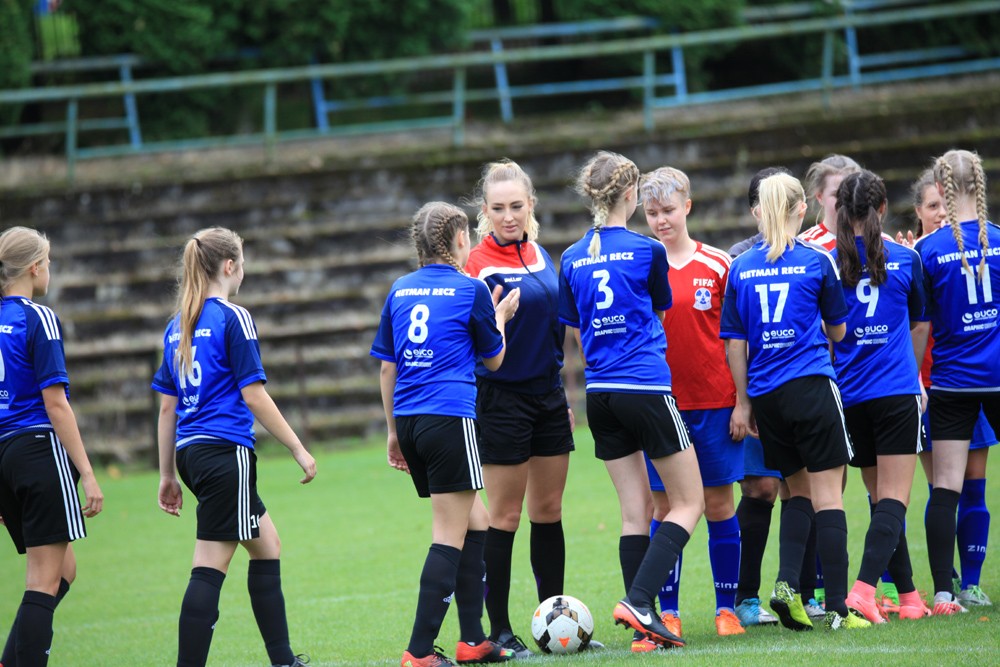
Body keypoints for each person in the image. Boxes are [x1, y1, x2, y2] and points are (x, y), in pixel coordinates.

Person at [557, 150, 704, 649]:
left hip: (600, 394)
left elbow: (575, 332)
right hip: (644, 387)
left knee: (634, 511)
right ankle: (640, 601)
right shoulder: (648, 251)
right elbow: (659, 315)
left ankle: (645, 629)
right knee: (689, 502)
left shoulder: (571, 256)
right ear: (630, 194)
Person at [154, 227, 316, 667]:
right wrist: (298, 448)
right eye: (242, 263)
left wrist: (168, 474)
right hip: (225, 453)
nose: (243, 271)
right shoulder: (232, 317)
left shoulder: (177, 326)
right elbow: (254, 395)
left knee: (267, 544)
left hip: (191, 454)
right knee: (209, 565)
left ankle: (283, 660)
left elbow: (167, 408)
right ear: (229, 266)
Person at [371, 202, 520, 667]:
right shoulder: (471, 288)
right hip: (449, 418)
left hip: (410, 420)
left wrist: (393, 432)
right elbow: (494, 360)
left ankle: (473, 640)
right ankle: (418, 651)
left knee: (477, 521)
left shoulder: (400, 289)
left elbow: (387, 367)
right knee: (448, 536)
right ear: (459, 240)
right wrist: (500, 317)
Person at [720, 171, 869, 631]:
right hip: (811, 386)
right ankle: (839, 608)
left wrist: (744, 401)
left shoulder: (741, 267)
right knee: (829, 496)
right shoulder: (816, 259)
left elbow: (735, 343)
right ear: (801, 208)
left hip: (767, 397)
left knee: (796, 492)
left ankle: (787, 586)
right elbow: (839, 331)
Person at [463, 160, 577, 658]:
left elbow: (557, 332)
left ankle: (555, 624)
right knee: (505, 516)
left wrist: (563, 396)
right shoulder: (475, 264)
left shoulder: (540, 254)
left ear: (530, 205)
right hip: (501, 399)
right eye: (498, 208)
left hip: (548, 396)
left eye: (516, 206)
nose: (508, 216)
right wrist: (498, 319)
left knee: (548, 511)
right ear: (484, 212)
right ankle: (499, 631)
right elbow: (470, 340)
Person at [632, 166, 744, 649]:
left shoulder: (719, 264)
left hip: (715, 403)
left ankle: (726, 609)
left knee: (718, 504)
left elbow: (736, 337)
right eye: (652, 212)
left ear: (688, 207)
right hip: (661, 405)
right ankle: (669, 613)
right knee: (665, 506)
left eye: (669, 210)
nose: (661, 220)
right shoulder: (639, 262)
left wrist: (742, 403)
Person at [828, 170, 929, 623]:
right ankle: (864, 591)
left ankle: (908, 598)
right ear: (883, 208)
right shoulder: (905, 258)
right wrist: (913, 374)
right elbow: (920, 323)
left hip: (850, 396)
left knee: (880, 499)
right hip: (895, 392)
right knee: (894, 499)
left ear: (839, 212)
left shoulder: (828, 263)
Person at [0, 226, 104, 667]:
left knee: (63, 571)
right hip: (37, 449)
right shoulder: (38, 317)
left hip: (4, 457)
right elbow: (56, 404)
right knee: (42, 582)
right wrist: (88, 473)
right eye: (48, 261)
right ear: (34, 268)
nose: (50, 269)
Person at [902, 170, 996, 610]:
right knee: (943, 486)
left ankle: (964, 585)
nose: (940, 213)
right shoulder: (914, 255)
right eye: (931, 207)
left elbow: (921, 324)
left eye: (944, 204)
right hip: (936, 384)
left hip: (950, 382)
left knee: (967, 484)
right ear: (918, 211)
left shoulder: (925, 253)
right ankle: (941, 583)